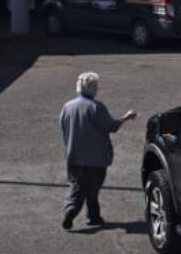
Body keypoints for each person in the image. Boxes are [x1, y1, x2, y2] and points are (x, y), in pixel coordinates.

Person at [59, 71, 137, 230]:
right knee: (92, 189)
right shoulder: (96, 107)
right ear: (92, 88)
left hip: (74, 155)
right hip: (96, 158)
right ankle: (84, 214)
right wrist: (127, 117)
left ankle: (78, 212)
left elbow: (63, 127)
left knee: (76, 185)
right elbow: (111, 127)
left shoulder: (67, 107)